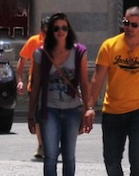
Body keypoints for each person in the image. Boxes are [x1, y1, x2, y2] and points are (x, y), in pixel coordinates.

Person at [91, 6, 139, 176]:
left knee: (138, 162)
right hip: (112, 111)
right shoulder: (109, 46)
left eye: (134, 25)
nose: (129, 28)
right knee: (111, 162)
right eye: (126, 23)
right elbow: (97, 78)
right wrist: (89, 107)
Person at [28, 13, 95, 176]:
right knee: (50, 155)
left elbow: (84, 82)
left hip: (73, 109)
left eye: (64, 28)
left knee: (69, 155)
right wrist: (31, 114)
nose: (60, 31)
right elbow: (36, 85)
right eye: (56, 28)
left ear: (68, 30)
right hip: (49, 109)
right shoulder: (41, 53)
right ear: (50, 31)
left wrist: (88, 108)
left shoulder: (78, 52)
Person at [19, 17, 53, 159]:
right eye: (45, 32)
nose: (47, 35)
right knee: (39, 117)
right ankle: (41, 145)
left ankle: (51, 143)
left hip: (54, 86)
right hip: (36, 86)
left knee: (53, 116)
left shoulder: (59, 42)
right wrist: (20, 80)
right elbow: (22, 60)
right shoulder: (34, 41)